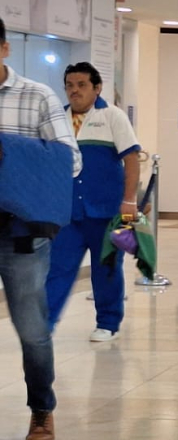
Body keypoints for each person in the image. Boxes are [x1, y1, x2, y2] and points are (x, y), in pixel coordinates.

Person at [0, 18, 80, 440]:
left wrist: (9, 154)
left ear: (4, 49)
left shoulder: (37, 97)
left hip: (22, 234)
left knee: (32, 327)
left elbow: (69, 162)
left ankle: (41, 411)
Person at [45, 61, 140, 343]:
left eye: (81, 85)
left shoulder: (112, 116)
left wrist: (129, 201)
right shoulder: (57, 119)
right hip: (67, 213)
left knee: (107, 268)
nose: (74, 91)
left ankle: (108, 322)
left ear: (97, 88)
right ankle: (44, 323)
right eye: (70, 86)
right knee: (57, 268)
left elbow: (132, 159)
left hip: (106, 210)